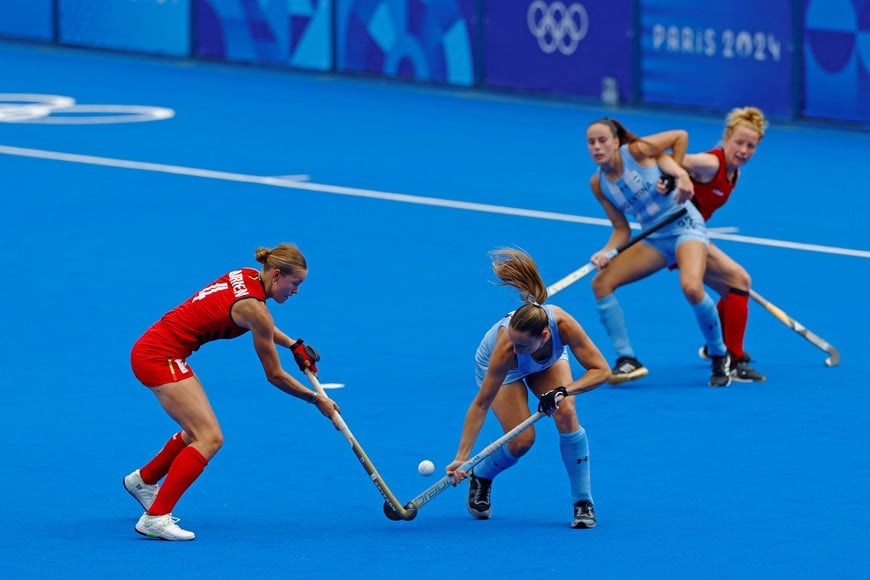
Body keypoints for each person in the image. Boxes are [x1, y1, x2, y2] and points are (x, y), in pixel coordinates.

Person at [124, 243, 339, 541]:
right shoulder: (257, 310)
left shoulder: (248, 275)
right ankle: (155, 518)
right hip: (160, 358)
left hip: (156, 347)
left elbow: (259, 324)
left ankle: (144, 480)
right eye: (295, 283)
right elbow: (274, 375)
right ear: (276, 275)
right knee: (209, 438)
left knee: (194, 430)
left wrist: (292, 344)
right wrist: (317, 400)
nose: (297, 291)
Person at [446, 248, 611, 528]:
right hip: (504, 372)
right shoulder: (506, 348)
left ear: (544, 335)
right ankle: (482, 475)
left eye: (522, 344)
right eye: (514, 341)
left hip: (548, 362)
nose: (515, 347)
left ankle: (583, 502)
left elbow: (602, 371)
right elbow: (481, 403)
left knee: (567, 414)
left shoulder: (563, 326)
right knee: (522, 440)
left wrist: (563, 391)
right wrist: (463, 457)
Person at [585, 118, 732, 387]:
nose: (597, 146)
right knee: (601, 283)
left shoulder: (638, 151)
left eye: (603, 140)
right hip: (655, 237)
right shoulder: (599, 184)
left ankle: (720, 353)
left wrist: (675, 173)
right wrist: (606, 252)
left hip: (684, 224)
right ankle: (628, 359)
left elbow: (680, 134)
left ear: (616, 142)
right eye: (591, 142)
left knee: (690, 286)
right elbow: (621, 229)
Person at [663, 106, 769, 382]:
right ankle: (733, 359)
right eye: (739, 143)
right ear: (726, 137)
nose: (744, 150)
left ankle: (717, 349)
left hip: (692, 234)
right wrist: (676, 176)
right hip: (676, 234)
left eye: (751, 146)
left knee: (733, 289)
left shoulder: (736, 174)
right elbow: (666, 159)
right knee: (739, 279)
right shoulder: (710, 163)